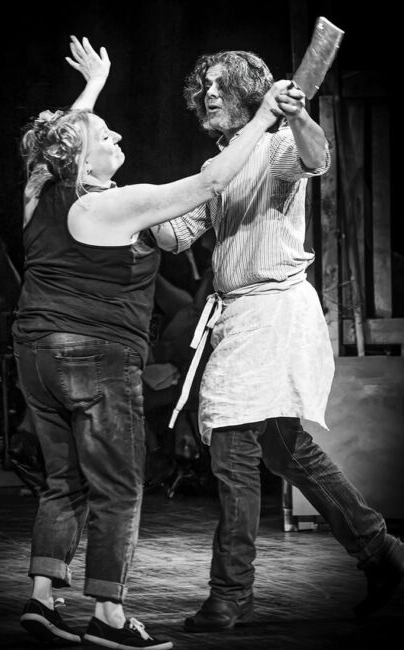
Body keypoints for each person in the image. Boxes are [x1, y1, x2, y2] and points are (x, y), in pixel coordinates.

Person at [12, 36, 293, 650]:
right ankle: (109, 616)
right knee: (118, 485)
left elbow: (57, 143)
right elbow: (214, 177)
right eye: (104, 135)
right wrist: (266, 118)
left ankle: (41, 597)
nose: (114, 137)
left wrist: (93, 86)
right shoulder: (113, 205)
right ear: (82, 162)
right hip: (94, 354)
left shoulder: (39, 189)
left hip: (34, 353)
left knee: (65, 480)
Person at [152, 49, 404, 631]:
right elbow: (175, 236)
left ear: (247, 94)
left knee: (234, 451)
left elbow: (317, 159)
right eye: (204, 87)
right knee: (287, 450)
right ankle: (380, 549)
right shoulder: (221, 163)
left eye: (220, 86)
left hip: (274, 309)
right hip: (242, 317)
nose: (209, 95)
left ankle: (230, 593)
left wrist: (296, 115)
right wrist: (131, 205)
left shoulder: (275, 147)